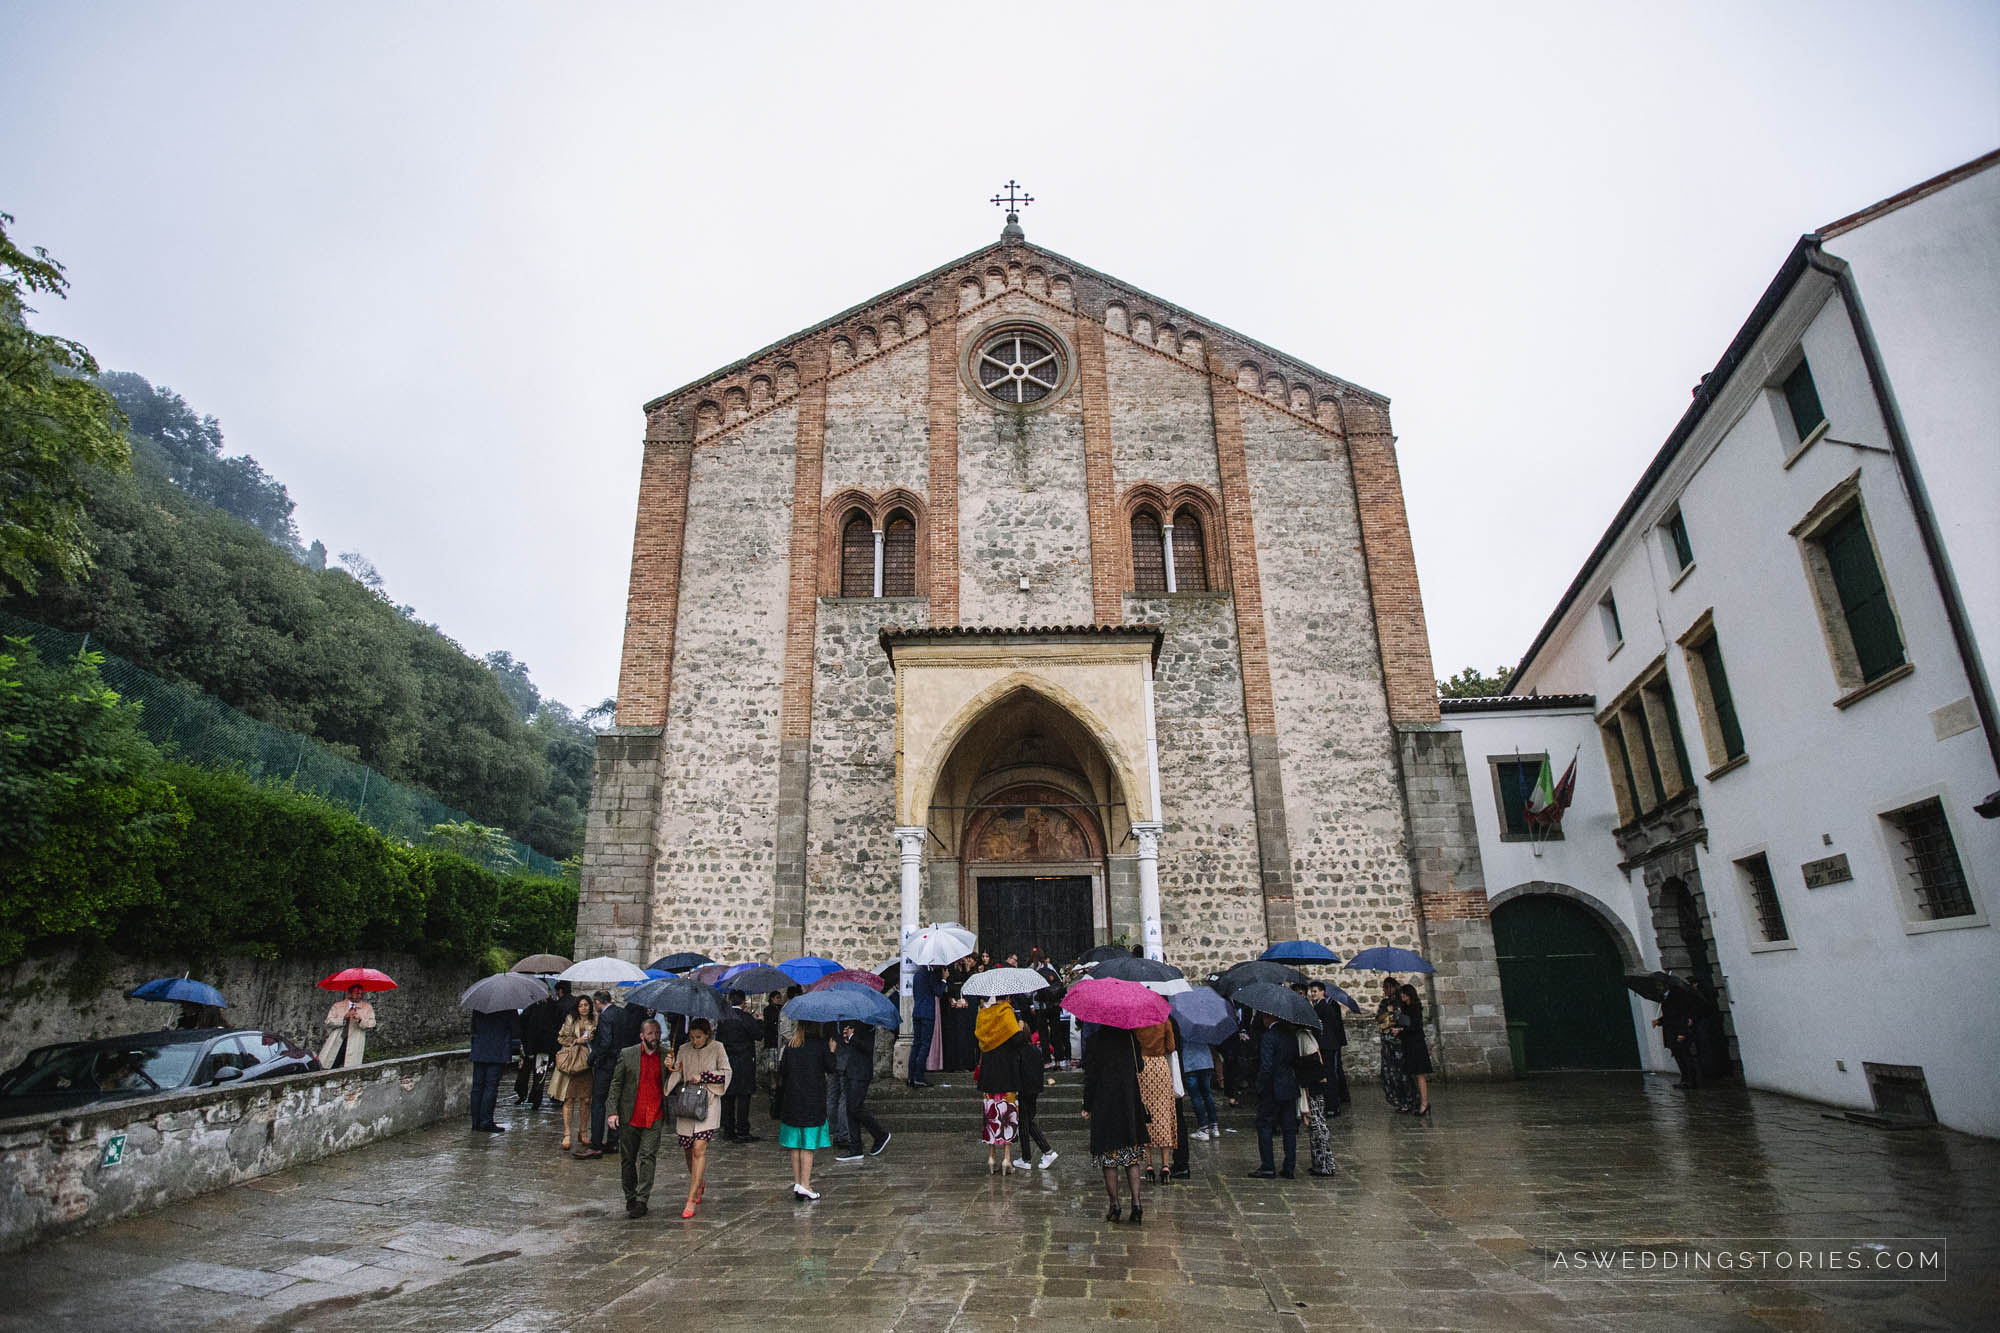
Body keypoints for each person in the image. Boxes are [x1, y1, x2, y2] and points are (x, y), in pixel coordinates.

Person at [664, 1016, 730, 1218]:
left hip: (708, 1101)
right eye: (692, 1037)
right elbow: (677, 1072)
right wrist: (670, 1065)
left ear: (707, 1035)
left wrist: (705, 1076)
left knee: (699, 1148)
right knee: (687, 1148)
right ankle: (698, 1180)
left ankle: (690, 1199)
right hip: (687, 1103)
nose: (695, 1041)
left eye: (699, 1037)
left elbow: (726, 1072)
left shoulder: (718, 1047)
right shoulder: (683, 1049)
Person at [605, 1017, 671, 1218]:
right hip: (631, 1114)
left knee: (648, 1156)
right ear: (642, 1035)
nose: (655, 1037)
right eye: (650, 1033)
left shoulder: (666, 1055)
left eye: (658, 1033)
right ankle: (630, 1196)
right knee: (628, 1159)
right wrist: (612, 1111)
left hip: (655, 1114)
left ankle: (642, 1199)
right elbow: (616, 1083)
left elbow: (673, 1084)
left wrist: (673, 1068)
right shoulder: (628, 1054)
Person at [1081, 1024, 1147, 1224]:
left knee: (1109, 1157)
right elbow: (1140, 1066)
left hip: (1105, 1104)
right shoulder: (1129, 1038)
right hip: (1128, 1103)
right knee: (1131, 1157)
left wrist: (1087, 1105)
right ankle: (1136, 1203)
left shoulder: (1095, 1041)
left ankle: (1115, 1204)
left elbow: (1090, 1077)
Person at [775, 1020, 837, 1200]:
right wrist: (831, 1051)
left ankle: (797, 1182)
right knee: (808, 1145)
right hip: (812, 1101)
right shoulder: (820, 1046)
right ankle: (806, 1183)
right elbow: (831, 1068)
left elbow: (783, 1072)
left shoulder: (790, 1046)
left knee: (795, 1145)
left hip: (792, 1100)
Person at [582, 993, 638, 1158]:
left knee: (598, 1103)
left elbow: (605, 1043)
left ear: (598, 1002)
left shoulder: (606, 1016)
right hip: (621, 1063)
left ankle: (596, 1144)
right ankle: (613, 1141)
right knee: (616, 1102)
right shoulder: (622, 1013)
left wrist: (592, 1058)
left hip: (606, 1066)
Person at [975, 1000, 1024, 1175]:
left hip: (989, 1074)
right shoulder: (1006, 1012)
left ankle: (991, 1157)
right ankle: (1006, 1159)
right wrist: (1019, 1027)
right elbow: (1017, 1040)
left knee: (991, 1115)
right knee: (1007, 1115)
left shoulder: (983, 1015)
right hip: (1006, 1072)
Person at [832, 1020, 890, 1163]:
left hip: (861, 1073)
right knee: (850, 1109)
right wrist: (847, 1039)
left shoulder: (868, 1025)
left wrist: (852, 1037)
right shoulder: (854, 1025)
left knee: (855, 1107)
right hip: (850, 1071)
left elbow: (867, 1047)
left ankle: (880, 1135)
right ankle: (855, 1147)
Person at [1248, 1016, 1299, 1178]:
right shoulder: (1290, 1034)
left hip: (1272, 1088)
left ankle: (1268, 1166)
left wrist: (1260, 1086)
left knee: (1265, 1125)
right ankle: (1289, 1166)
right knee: (1289, 1128)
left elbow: (1266, 1066)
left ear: (1268, 1017)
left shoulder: (1269, 1037)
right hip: (1289, 1085)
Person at [1132, 1020, 1178, 1183]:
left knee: (1146, 1115)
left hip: (1143, 1068)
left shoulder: (1137, 1022)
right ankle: (1165, 1164)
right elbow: (1171, 1047)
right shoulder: (1165, 1021)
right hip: (1160, 1066)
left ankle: (1149, 1164)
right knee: (1163, 1113)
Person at [549, 994, 596, 1151]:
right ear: (577, 1007)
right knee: (568, 1099)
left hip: (587, 1064)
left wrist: (591, 1038)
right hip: (571, 1063)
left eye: (586, 1005)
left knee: (586, 1099)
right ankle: (567, 1133)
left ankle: (583, 1131)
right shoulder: (570, 1019)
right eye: (581, 1005)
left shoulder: (595, 1020)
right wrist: (577, 1041)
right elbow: (561, 1038)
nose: (584, 1008)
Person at [717, 990, 762, 1143]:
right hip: (744, 1062)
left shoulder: (723, 1019)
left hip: (727, 1061)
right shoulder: (746, 1018)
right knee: (743, 1097)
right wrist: (759, 1021)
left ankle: (728, 1129)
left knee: (728, 1097)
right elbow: (758, 1035)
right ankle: (742, 1130)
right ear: (743, 1002)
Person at [1293, 1015, 1336, 1176]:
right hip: (1315, 1084)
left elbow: (1310, 1063)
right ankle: (1322, 1162)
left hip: (1313, 1086)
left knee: (1317, 1124)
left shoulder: (1303, 1036)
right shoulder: (1307, 1035)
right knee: (1317, 1124)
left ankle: (1324, 1163)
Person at [1009, 1026, 1056, 1171]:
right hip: (1033, 1090)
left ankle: (1028, 1157)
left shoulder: (1019, 1052)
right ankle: (1045, 1152)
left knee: (1024, 1124)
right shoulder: (1034, 1050)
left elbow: (1017, 1073)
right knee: (1027, 1122)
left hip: (1024, 1091)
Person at [468, 1006, 517, 1133]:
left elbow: (473, 1027)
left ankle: (476, 1122)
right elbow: (516, 1029)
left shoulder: (479, 1006)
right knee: (491, 1086)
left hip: (479, 1049)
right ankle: (486, 1121)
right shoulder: (508, 1007)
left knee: (477, 1086)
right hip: (498, 1050)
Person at [1307, 980, 1349, 1114]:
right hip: (1327, 1043)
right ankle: (1331, 1104)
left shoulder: (1322, 1006)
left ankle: (1332, 1105)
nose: (1312, 994)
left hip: (1326, 1045)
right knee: (1328, 1074)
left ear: (1322, 992)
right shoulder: (1321, 1005)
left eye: (1315, 991)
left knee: (1328, 1075)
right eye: (1312, 991)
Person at [1376, 976, 1417, 1113]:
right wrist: (1388, 1011)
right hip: (1387, 1043)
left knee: (1402, 1073)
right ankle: (1399, 1100)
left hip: (1399, 1043)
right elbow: (1379, 1019)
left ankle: (1409, 1100)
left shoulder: (1401, 1002)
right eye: (1384, 987)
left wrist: (1394, 1016)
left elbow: (1404, 1020)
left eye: (1387, 987)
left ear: (1394, 987)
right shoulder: (1385, 1003)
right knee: (1390, 1073)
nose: (1385, 990)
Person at [1394, 983, 1433, 1117]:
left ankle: (1424, 1103)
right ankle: (1418, 1101)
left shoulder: (1415, 1008)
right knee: (1413, 1074)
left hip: (1416, 1044)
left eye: (1404, 993)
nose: (1402, 995)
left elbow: (1415, 1026)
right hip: (1408, 1044)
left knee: (1419, 1074)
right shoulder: (1404, 1008)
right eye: (1401, 993)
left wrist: (1401, 1030)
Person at [1655, 980, 1702, 1089]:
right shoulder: (1665, 998)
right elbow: (1669, 1017)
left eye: (1660, 985)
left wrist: (1682, 1033)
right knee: (1679, 1057)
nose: (1658, 988)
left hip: (1678, 1032)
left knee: (1685, 1056)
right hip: (1671, 1032)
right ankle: (1684, 1079)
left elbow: (1681, 1017)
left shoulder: (1675, 999)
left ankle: (1691, 1080)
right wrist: (1659, 1021)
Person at [319, 985, 376, 1070]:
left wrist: (360, 1020)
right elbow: (328, 1021)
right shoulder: (338, 1006)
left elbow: (372, 1023)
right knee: (331, 1063)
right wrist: (344, 1018)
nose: (359, 996)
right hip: (337, 1039)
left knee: (350, 1066)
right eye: (356, 993)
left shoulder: (367, 1007)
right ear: (349, 994)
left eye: (361, 994)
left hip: (355, 1039)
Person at [907, 965, 941, 1087]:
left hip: (917, 1012)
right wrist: (944, 980)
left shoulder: (917, 975)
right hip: (927, 1014)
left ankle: (911, 1076)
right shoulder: (929, 974)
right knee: (924, 1045)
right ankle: (918, 1077)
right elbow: (938, 991)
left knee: (916, 1044)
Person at [941, 959, 978, 1072]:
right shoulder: (950, 968)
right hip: (954, 1005)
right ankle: (955, 1064)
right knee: (955, 1035)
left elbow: (969, 984)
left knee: (965, 1034)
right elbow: (948, 985)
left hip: (964, 1004)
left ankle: (966, 1063)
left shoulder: (966, 970)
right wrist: (952, 999)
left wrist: (967, 969)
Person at [1183, 1031, 1219, 1141]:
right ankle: (1214, 1126)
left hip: (1189, 1062)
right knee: (1207, 1095)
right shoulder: (1204, 1024)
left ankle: (1203, 1129)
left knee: (1196, 1097)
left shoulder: (1182, 1025)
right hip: (1205, 1061)